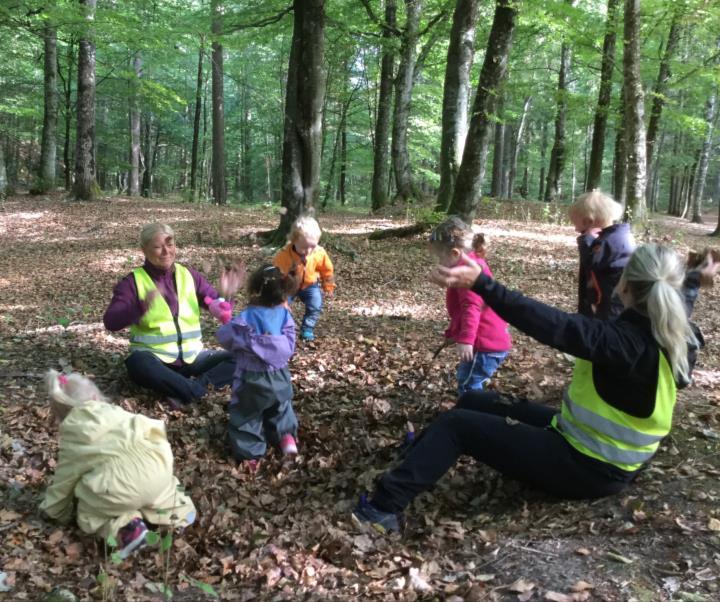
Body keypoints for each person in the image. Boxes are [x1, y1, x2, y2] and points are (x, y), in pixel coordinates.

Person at [351, 244, 717, 533]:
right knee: (475, 399)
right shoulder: (678, 333)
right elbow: (675, 296)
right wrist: (695, 280)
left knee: (456, 425)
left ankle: (381, 509)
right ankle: (423, 453)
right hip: (591, 447)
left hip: (588, 467)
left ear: (625, 285)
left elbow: (549, 324)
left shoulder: (621, 343)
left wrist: (484, 284)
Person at [40, 370, 196, 559]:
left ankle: (127, 530)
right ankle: (182, 514)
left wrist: (55, 510)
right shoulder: (117, 412)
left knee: (87, 509)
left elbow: (65, 480)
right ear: (96, 396)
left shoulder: (74, 435)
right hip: (157, 463)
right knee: (162, 486)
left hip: (120, 487)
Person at [103, 223, 235, 409]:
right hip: (156, 361)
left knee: (243, 356)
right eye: (158, 247)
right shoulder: (132, 282)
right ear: (144, 250)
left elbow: (214, 302)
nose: (166, 251)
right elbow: (111, 321)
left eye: (170, 244)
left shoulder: (189, 275)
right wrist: (139, 307)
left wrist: (224, 301)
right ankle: (196, 391)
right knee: (137, 363)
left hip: (194, 358)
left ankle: (190, 389)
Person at [216, 264, 300, 469]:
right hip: (280, 376)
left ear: (253, 291)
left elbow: (225, 337)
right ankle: (286, 437)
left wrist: (227, 318)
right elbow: (290, 344)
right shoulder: (285, 316)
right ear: (283, 293)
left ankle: (250, 455)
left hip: (251, 379)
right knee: (281, 407)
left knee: (247, 413)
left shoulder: (245, 318)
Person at [429, 217, 511, 394]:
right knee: (469, 379)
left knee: (468, 385)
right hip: (488, 342)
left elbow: (472, 308)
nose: (438, 262)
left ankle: (473, 416)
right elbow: (461, 310)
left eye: (439, 257)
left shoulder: (469, 275)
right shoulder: (472, 265)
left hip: (484, 345)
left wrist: (466, 340)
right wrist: (454, 334)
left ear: (455, 254)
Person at [568, 190, 635, 319]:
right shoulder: (614, 236)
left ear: (589, 221)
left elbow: (590, 262)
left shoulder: (611, 241)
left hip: (610, 308)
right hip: (602, 302)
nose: (576, 230)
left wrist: (585, 240)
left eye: (578, 226)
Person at [273, 216, 335, 341]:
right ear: (293, 241)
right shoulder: (284, 256)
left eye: (312, 246)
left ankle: (307, 328)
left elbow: (327, 270)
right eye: (304, 247)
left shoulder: (319, 253)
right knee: (281, 307)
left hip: (310, 285)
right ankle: (283, 329)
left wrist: (328, 285)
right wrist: (281, 298)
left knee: (315, 305)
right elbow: (277, 277)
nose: (308, 251)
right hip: (288, 285)